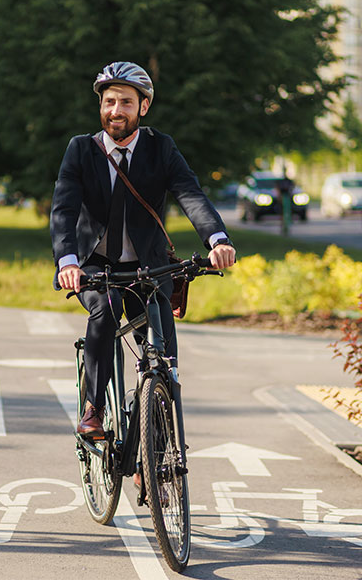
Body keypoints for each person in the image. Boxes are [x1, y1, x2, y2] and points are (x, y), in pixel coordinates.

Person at [50, 61, 236, 440]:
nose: (115, 111)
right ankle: (94, 409)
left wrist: (217, 239)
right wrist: (67, 261)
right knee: (104, 312)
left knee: (164, 356)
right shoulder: (81, 150)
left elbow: (190, 194)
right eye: (109, 102)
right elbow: (63, 209)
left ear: (143, 107)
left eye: (125, 103)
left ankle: (155, 446)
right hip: (94, 266)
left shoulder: (160, 148)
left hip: (147, 268)